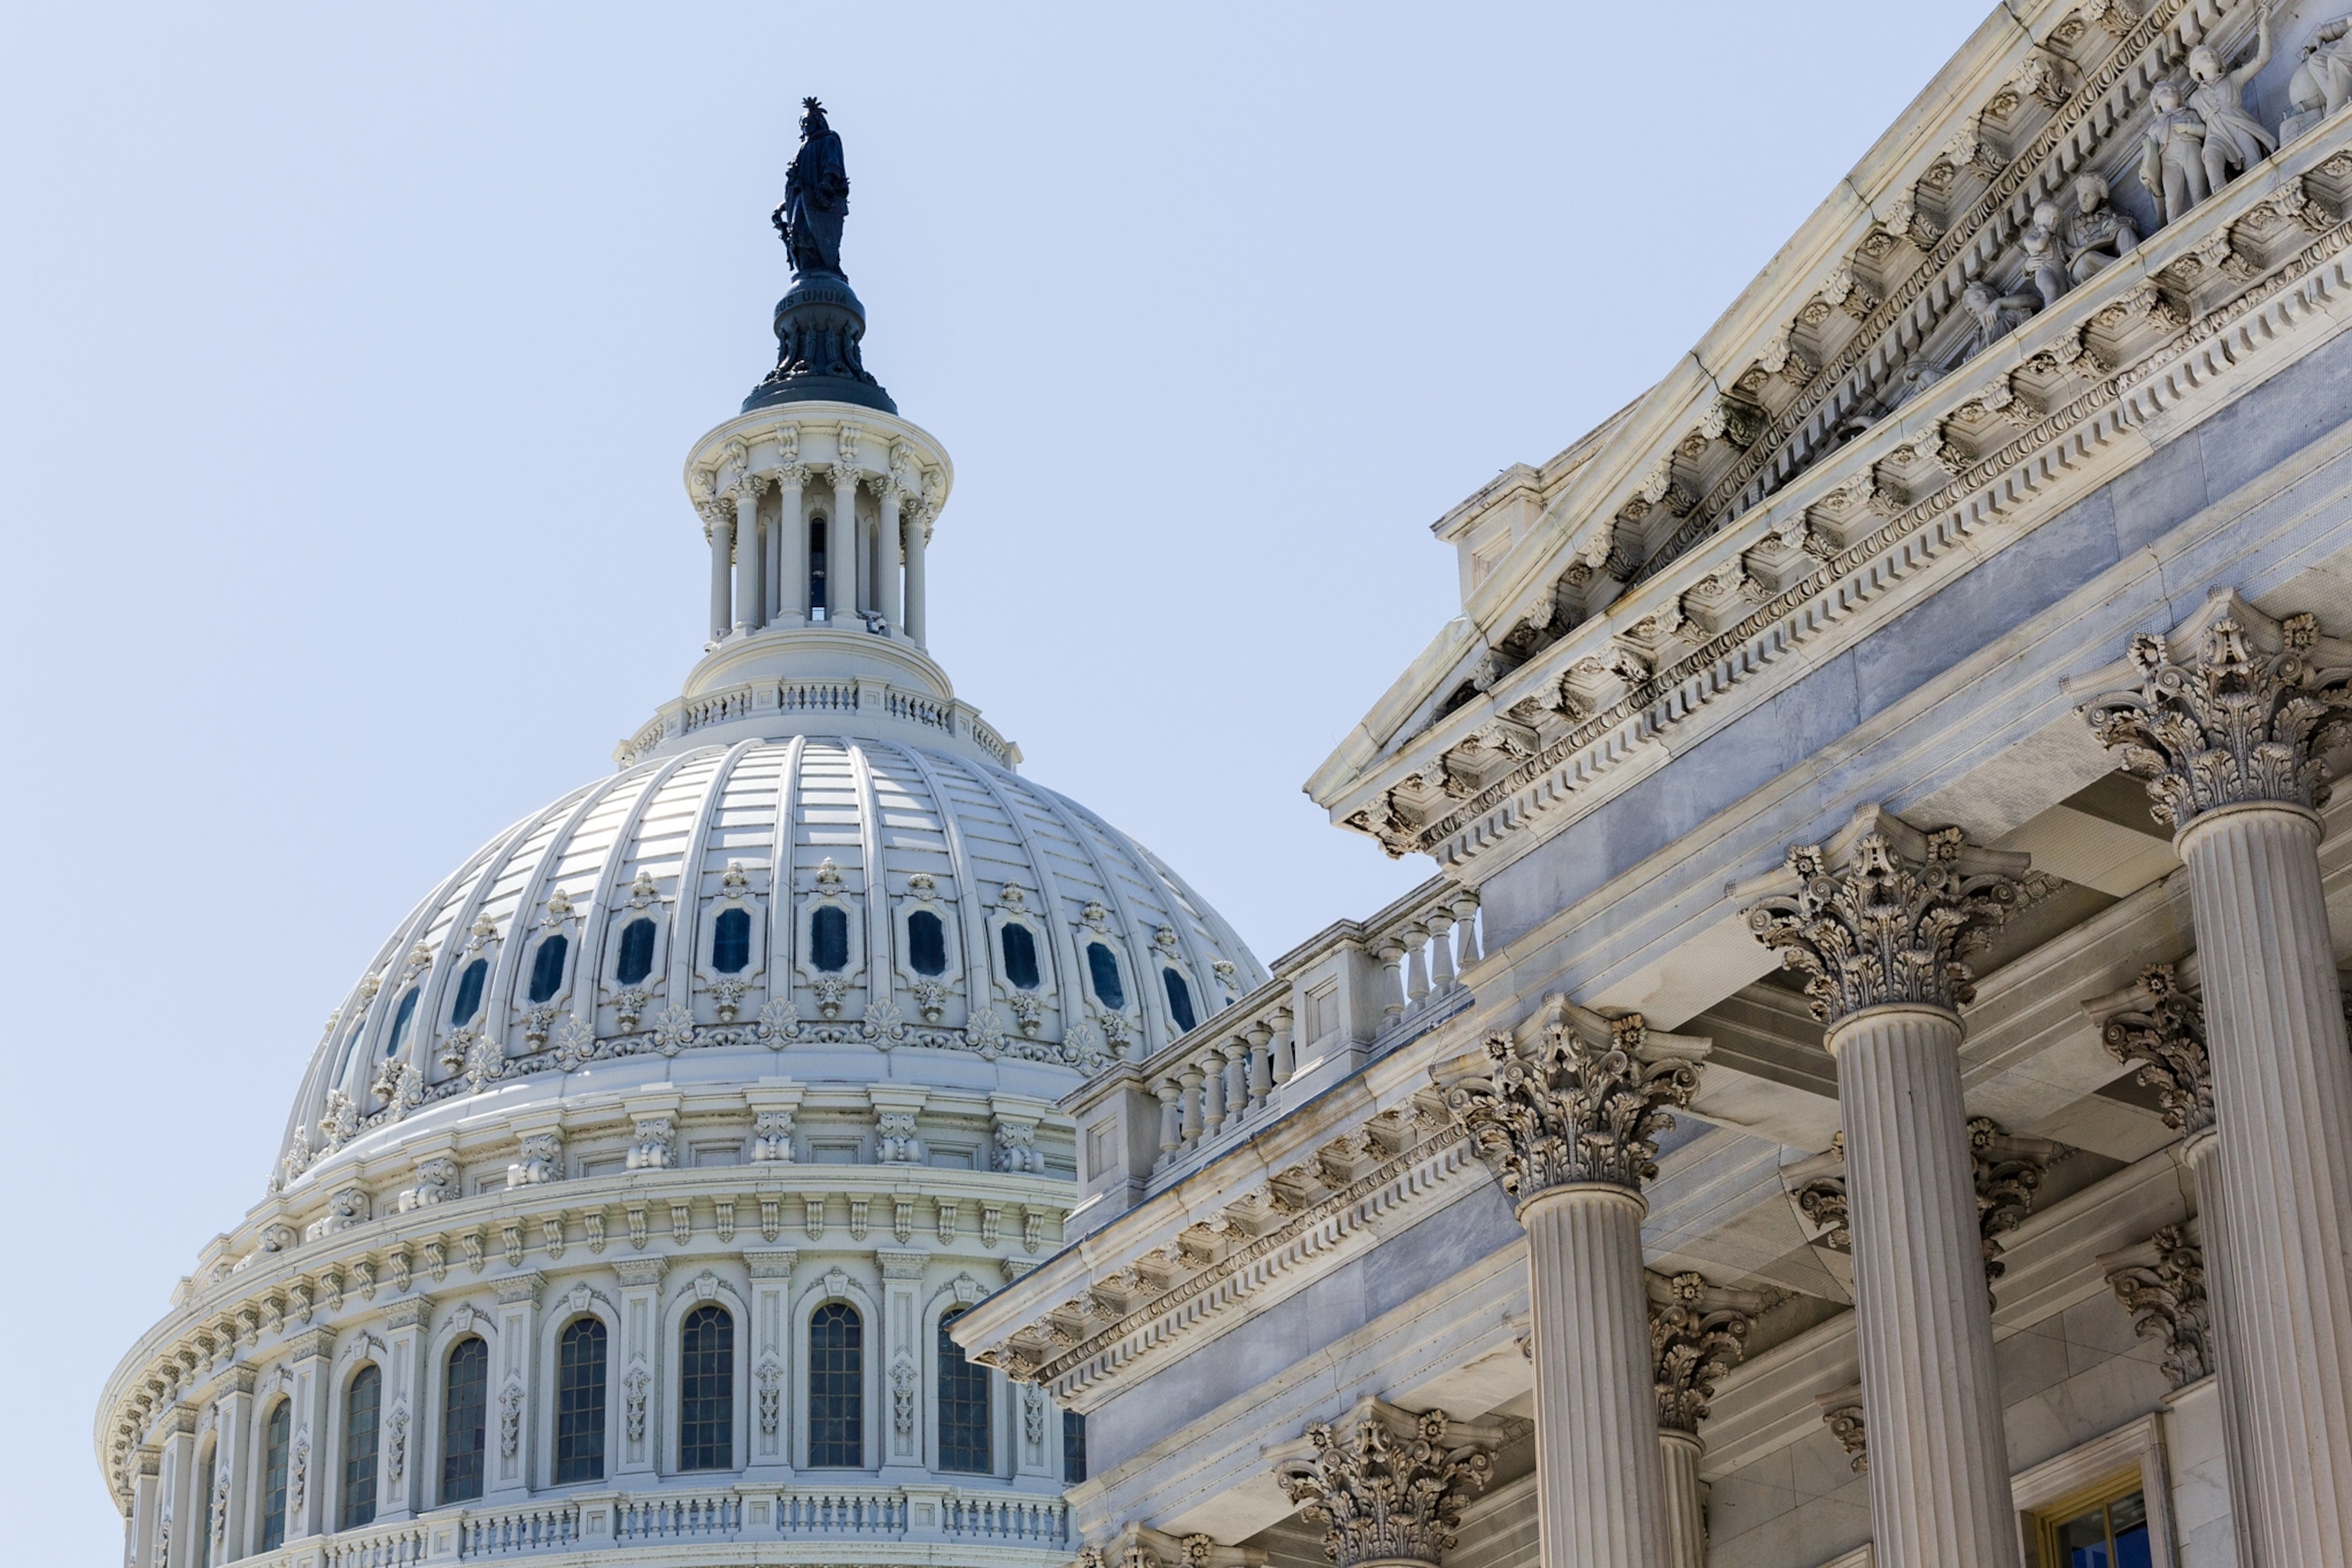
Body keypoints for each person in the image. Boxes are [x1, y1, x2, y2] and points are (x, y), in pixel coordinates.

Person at [2187, 12, 2275, 196]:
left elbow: (2262, 59)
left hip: (2240, 126)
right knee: (2211, 160)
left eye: (2213, 54)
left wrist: (2264, 27)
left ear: (2221, 62)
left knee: (2255, 166)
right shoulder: (2194, 99)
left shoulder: (2233, 79)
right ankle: (2223, 203)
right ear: (2195, 69)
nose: (2210, 56)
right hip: (2215, 135)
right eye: (2204, 56)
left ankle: (2266, 194)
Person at [773, 98, 850, 278]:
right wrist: (781, 208)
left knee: (818, 234)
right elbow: (795, 187)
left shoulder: (829, 139)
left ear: (819, 122)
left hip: (819, 198)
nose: (806, 127)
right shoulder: (802, 149)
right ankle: (808, 268)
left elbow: (832, 162)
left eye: (809, 122)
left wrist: (826, 182)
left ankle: (826, 267)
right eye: (803, 124)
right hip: (800, 200)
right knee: (798, 232)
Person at [2138, 80, 2210, 227]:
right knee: (2172, 196)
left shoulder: (2190, 114)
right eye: (2164, 91)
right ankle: (2173, 227)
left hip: (2192, 151)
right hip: (2168, 161)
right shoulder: (2154, 127)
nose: (2170, 91)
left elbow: (2205, 131)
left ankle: (2206, 217)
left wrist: (2189, 128)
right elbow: (2150, 154)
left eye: (2173, 89)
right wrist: (2144, 173)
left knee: (2198, 187)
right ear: (2156, 102)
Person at [2065, 173, 2139, 286]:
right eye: (2080, 193)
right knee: (2088, 258)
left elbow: (2131, 224)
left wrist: (2118, 223)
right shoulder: (2066, 223)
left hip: (2104, 259)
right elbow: (2054, 246)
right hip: (2081, 268)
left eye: (2089, 195)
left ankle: (2134, 266)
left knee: (2125, 231)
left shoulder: (2110, 215)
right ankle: (2131, 269)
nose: (2083, 200)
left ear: (2101, 196)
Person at [2021, 201, 2069, 309]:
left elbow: (2067, 250)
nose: (2052, 222)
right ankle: (2052, 314)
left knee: (2064, 293)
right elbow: (2040, 246)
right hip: (2045, 271)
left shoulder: (2057, 240)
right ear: (2037, 220)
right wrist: (2044, 233)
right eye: (2048, 217)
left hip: (2061, 272)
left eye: (2056, 219)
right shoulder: (2030, 238)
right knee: (2050, 289)